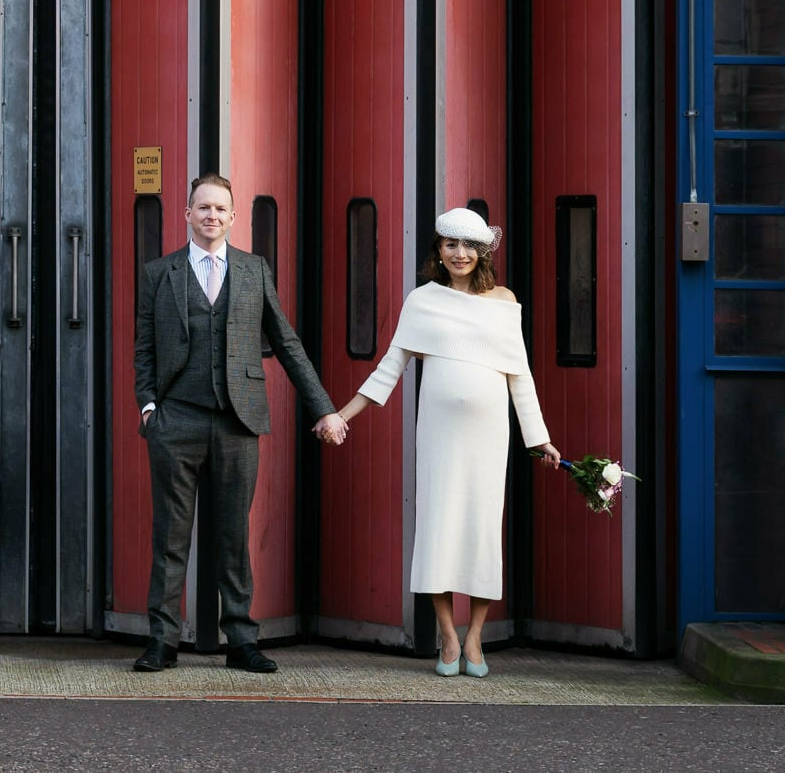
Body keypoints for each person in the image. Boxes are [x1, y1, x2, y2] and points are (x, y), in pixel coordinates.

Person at [329, 207, 562, 678]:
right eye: (451, 245)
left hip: (489, 433)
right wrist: (341, 413)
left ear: (483, 252)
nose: (460, 254)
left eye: (469, 246)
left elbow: (521, 376)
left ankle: (476, 636)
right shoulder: (422, 300)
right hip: (437, 431)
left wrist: (540, 440)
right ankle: (448, 636)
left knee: (480, 529)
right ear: (438, 249)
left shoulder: (503, 299)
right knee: (438, 526)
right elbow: (389, 367)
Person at [132, 173, 347, 675]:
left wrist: (323, 407)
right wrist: (148, 409)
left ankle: (241, 641)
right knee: (170, 537)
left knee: (233, 535)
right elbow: (144, 348)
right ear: (187, 215)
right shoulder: (158, 274)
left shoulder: (254, 271)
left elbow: (287, 344)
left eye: (220, 209)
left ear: (233, 218)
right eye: (202, 207)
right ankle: (162, 641)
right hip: (175, 420)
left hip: (237, 420)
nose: (211, 216)